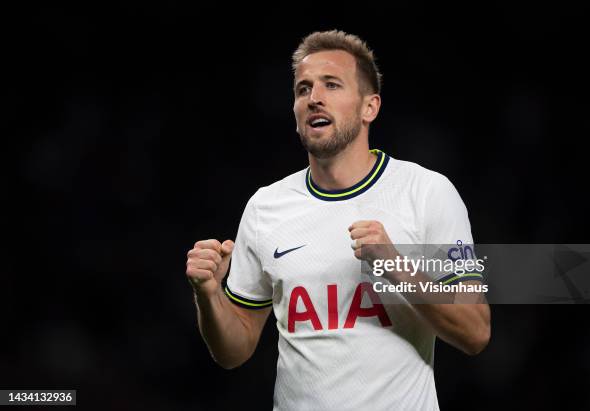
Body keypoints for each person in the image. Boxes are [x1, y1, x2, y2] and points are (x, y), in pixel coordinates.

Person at [185, 30, 490, 410]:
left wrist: (397, 266)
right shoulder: (266, 207)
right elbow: (234, 350)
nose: (314, 98)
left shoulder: (427, 193)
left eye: (332, 85)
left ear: (369, 107)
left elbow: (475, 331)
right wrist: (209, 297)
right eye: (303, 89)